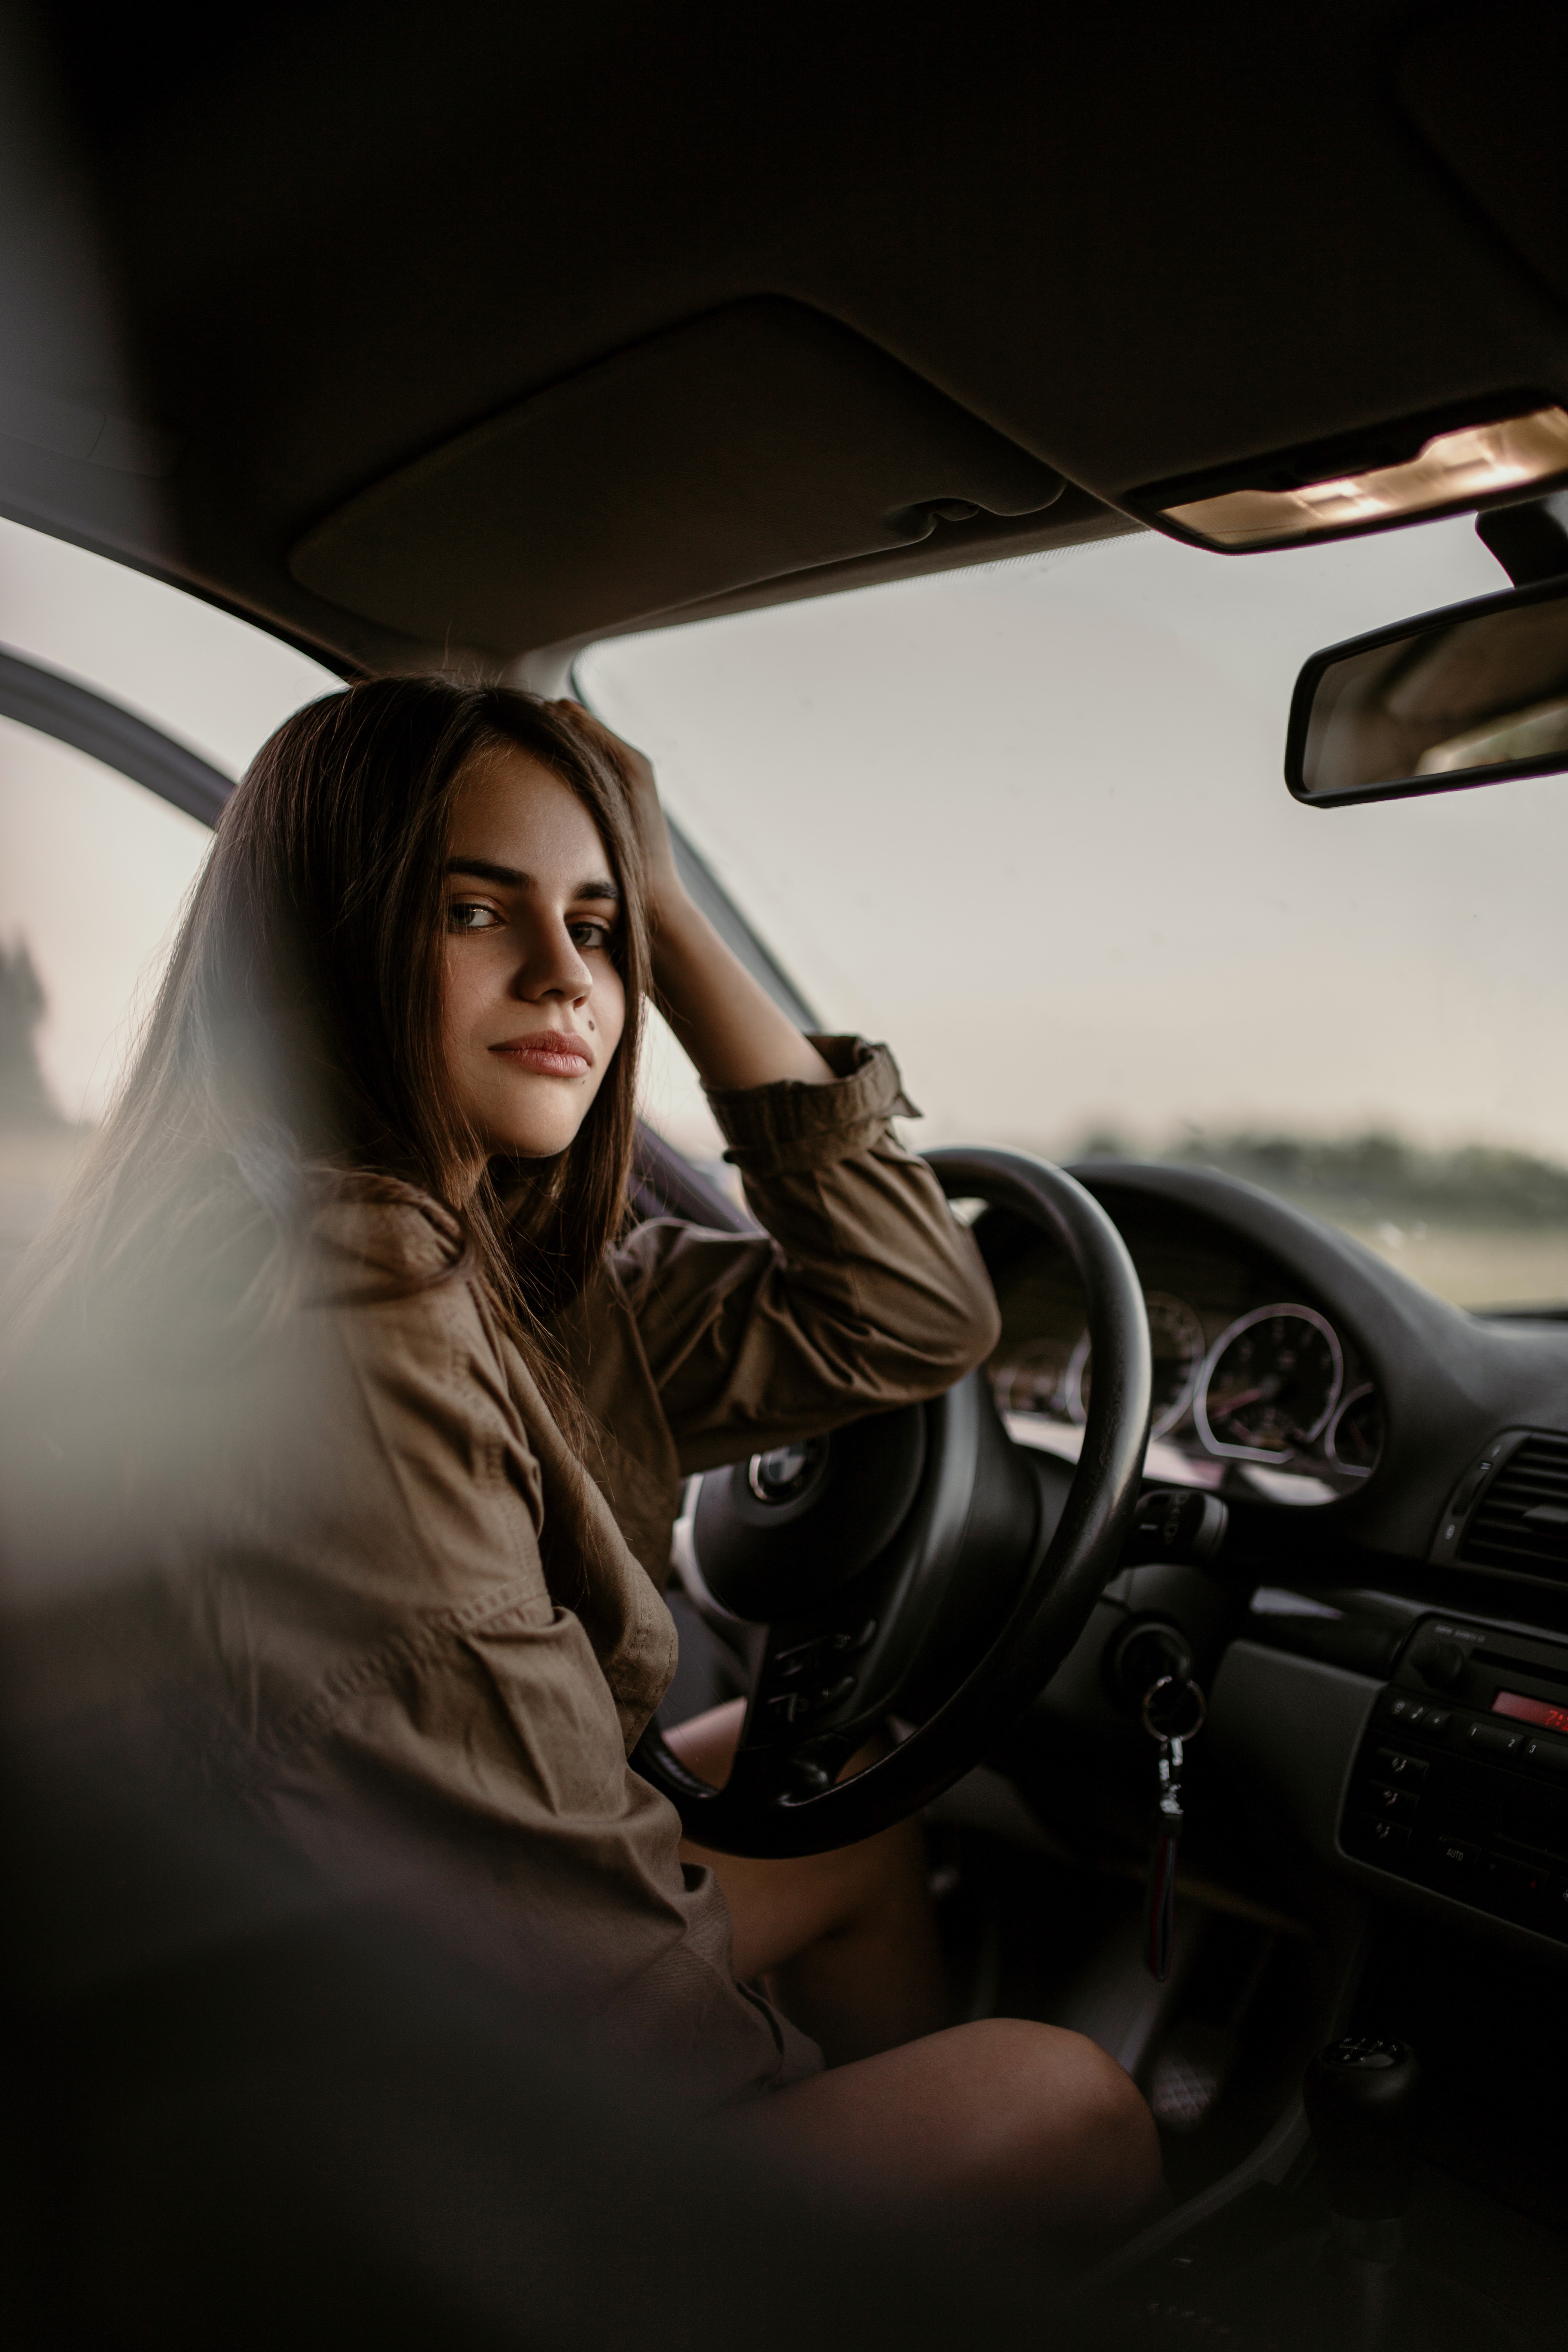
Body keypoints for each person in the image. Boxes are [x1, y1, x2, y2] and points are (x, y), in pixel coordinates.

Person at [0, 680, 1160, 2253]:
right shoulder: (359, 1288)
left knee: (830, 1803)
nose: (565, 976)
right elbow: (550, 1914)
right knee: (1066, 2103)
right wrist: (764, 2119)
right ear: (324, 942)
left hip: (317, 1977)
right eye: (477, 911)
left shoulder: (489, 1271)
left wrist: (663, 895)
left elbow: (907, 1308)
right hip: (405, 2092)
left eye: (598, 928)